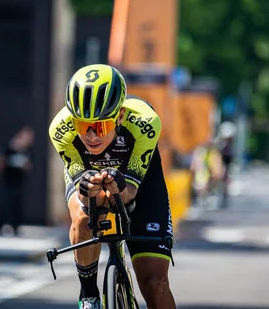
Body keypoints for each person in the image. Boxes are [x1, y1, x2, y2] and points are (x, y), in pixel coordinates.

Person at [49, 64, 176, 309]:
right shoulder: (60, 129)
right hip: (88, 172)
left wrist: (120, 185)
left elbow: (129, 194)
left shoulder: (144, 122)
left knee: (155, 284)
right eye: (82, 126)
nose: (91, 136)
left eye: (101, 126)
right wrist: (88, 190)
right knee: (85, 217)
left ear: (119, 116)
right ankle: (88, 295)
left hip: (136, 178)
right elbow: (86, 200)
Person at [0, 126, 34, 236]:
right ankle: (0, 225)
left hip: (19, 182)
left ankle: (16, 227)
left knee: (17, 205)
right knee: (5, 204)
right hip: (6, 181)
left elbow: (29, 166)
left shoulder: (26, 151)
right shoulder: (7, 148)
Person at [216, 121, 236, 208]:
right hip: (222, 162)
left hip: (226, 162)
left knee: (225, 179)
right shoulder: (223, 143)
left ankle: (224, 195)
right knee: (223, 178)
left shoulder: (228, 144)